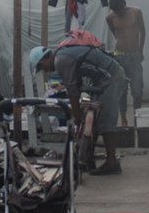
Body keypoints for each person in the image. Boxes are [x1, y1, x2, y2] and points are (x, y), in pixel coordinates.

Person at [30, 43, 126, 176]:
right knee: (95, 119)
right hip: (104, 79)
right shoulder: (62, 56)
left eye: (41, 66)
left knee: (106, 119)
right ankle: (88, 159)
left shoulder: (61, 61)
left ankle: (112, 163)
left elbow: (72, 91)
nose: (45, 71)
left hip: (112, 77)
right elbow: (77, 83)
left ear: (45, 59)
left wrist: (77, 117)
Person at [104, 0, 146, 126]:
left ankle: (137, 117)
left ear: (124, 5)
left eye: (119, 10)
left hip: (134, 55)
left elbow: (142, 31)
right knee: (121, 89)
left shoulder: (136, 12)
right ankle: (123, 119)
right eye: (115, 11)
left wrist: (140, 51)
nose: (118, 13)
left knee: (137, 88)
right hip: (119, 55)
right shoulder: (110, 17)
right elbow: (116, 34)